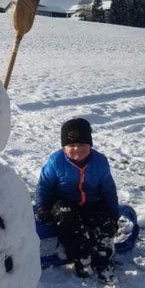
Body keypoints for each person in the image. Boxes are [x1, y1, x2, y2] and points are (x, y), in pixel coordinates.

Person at [35, 118, 119, 279]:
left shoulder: (100, 162)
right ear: (64, 147)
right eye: (71, 146)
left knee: (105, 223)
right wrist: (42, 207)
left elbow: (108, 189)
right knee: (68, 221)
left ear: (90, 144)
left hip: (91, 202)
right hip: (63, 202)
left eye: (82, 145)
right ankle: (82, 258)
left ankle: (102, 256)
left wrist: (113, 214)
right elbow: (44, 185)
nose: (77, 149)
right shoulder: (56, 161)